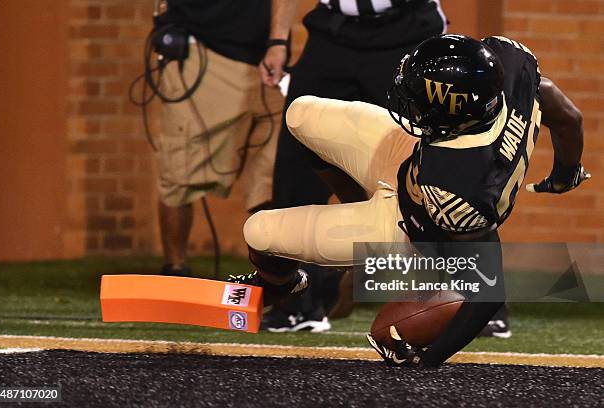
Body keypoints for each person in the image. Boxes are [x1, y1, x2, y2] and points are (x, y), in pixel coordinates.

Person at [232, 34, 590, 366]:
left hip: (408, 227)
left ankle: (283, 285)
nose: (407, 98)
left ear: (451, 111)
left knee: (259, 231)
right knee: (300, 113)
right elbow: (568, 116)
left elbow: (490, 293)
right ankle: (337, 230)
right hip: (413, 157)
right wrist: (565, 173)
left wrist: (432, 359)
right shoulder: (506, 68)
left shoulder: (465, 188)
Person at [258, 0, 448, 332]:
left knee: (430, 166)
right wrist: (278, 39)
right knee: (296, 158)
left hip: (404, 33)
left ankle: (465, 296)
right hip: (333, 34)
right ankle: (295, 298)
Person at [152, 0, 285, 276]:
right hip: (205, 50)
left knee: (274, 180)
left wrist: (278, 41)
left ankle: (278, 280)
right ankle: (175, 271)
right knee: (180, 171)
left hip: (271, 58)